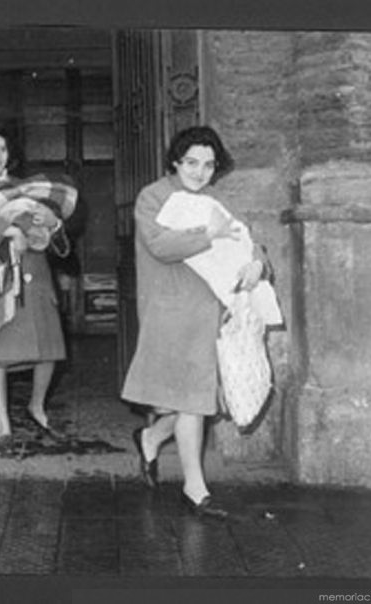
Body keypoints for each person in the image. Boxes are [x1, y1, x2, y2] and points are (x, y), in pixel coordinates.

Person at [121, 125, 268, 519]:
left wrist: (258, 263)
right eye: (191, 163)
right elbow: (160, 245)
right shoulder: (153, 196)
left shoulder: (214, 200)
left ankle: (152, 439)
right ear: (175, 160)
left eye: (208, 165)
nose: (200, 172)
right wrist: (208, 233)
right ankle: (194, 487)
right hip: (168, 307)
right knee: (192, 398)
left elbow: (246, 241)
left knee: (196, 398)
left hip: (208, 309)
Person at [0, 123, 68, 450]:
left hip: (33, 271)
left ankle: (37, 405)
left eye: (2, 149)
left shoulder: (24, 186)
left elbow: (48, 227)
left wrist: (51, 222)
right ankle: (2, 419)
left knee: (47, 347)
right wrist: (9, 231)